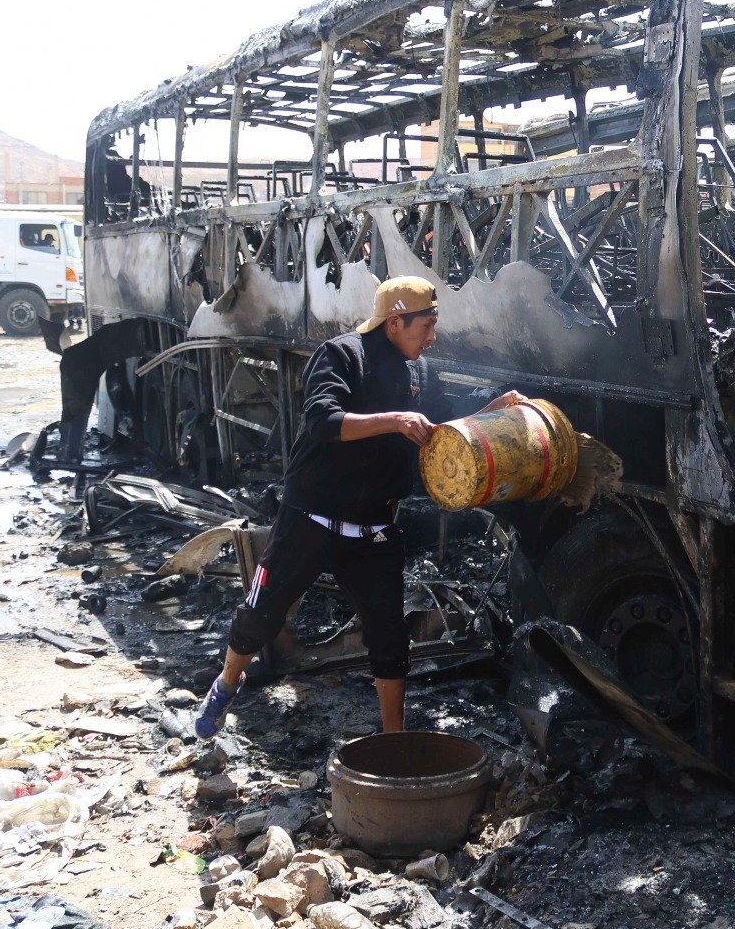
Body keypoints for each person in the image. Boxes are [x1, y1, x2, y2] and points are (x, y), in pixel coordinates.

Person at [194, 276, 523, 737]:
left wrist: (494, 409)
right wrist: (394, 421)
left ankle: (393, 738)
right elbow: (322, 422)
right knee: (261, 612)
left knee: (389, 636)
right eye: (425, 327)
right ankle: (227, 682)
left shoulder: (418, 372)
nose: (432, 338)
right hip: (312, 516)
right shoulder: (342, 356)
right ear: (394, 322)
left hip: (373, 529)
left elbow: (444, 424)